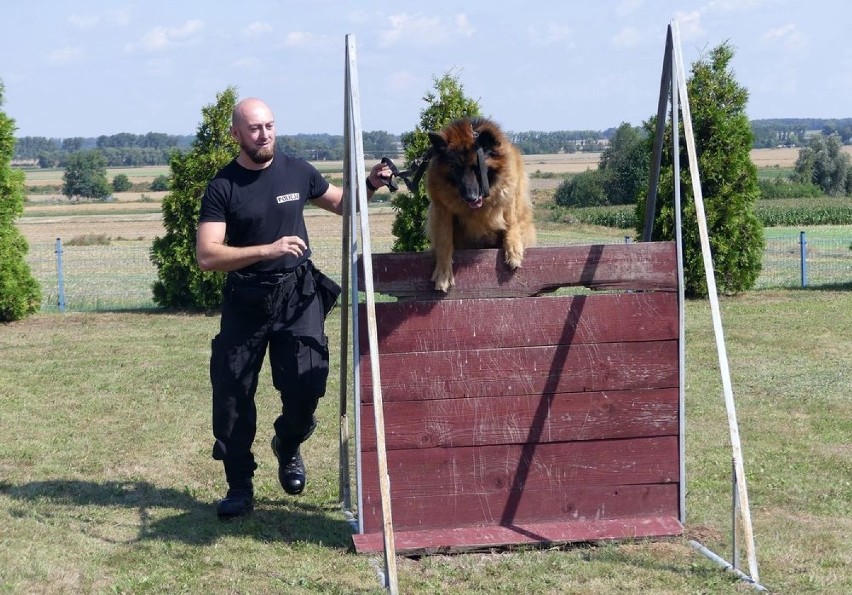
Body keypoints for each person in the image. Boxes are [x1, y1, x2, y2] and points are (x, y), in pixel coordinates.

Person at [196, 97, 391, 519]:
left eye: (269, 126)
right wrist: (268, 248)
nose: (263, 134)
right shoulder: (223, 187)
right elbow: (208, 255)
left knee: (307, 381)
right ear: (236, 134)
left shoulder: (297, 170)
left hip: (297, 293)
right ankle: (239, 486)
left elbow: (343, 204)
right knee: (231, 394)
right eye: (253, 128)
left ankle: (288, 441)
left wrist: (371, 183)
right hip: (245, 300)